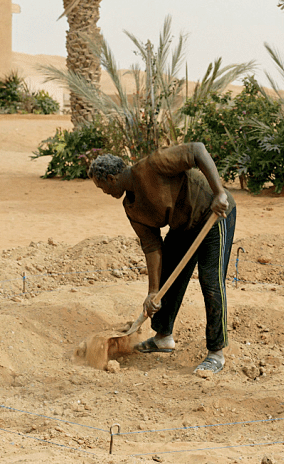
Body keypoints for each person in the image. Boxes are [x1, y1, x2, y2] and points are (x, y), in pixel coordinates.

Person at [88, 143, 236, 375]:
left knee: (211, 282)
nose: (104, 192)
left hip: (213, 213)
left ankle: (216, 352)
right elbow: (151, 246)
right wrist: (152, 292)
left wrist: (219, 192)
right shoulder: (131, 207)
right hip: (183, 225)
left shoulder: (154, 164)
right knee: (167, 276)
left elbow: (197, 151)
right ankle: (163, 337)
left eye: (102, 187)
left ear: (110, 179)